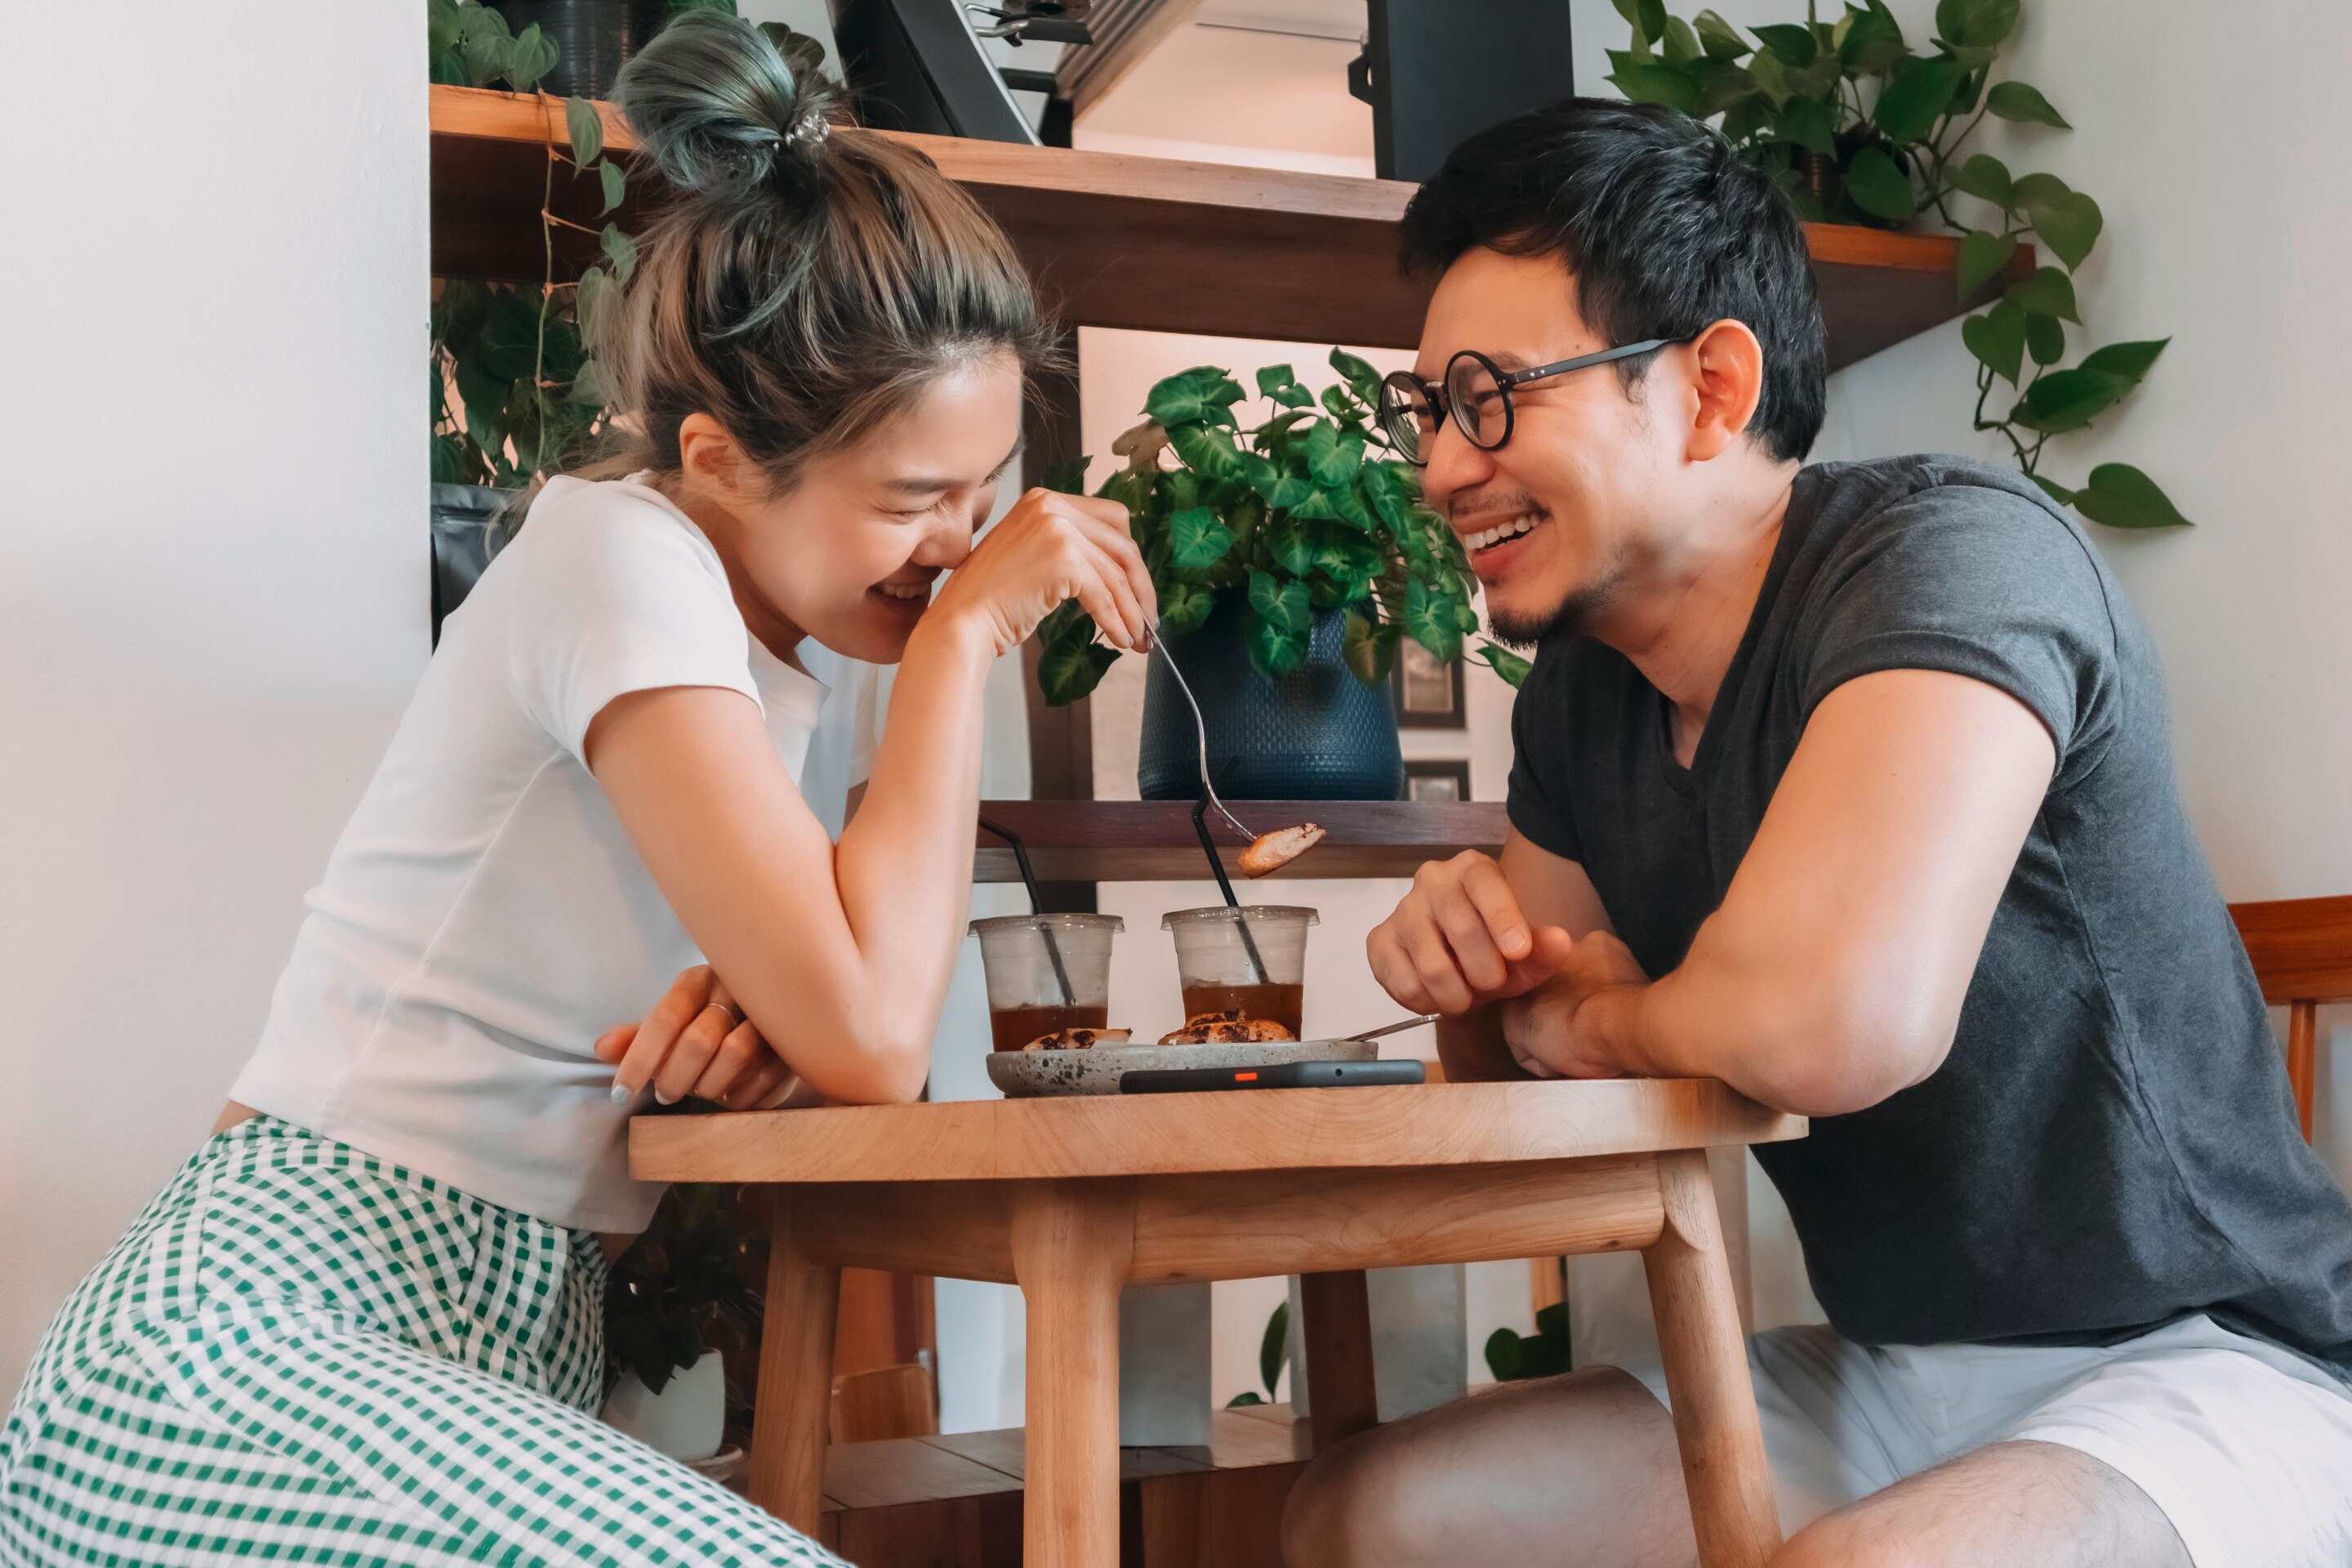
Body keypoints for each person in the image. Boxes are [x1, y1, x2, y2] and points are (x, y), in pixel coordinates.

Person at [0, 14, 1153, 1565]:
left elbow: (839, 1016)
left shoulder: (757, 660)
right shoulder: (621, 562)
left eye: (987, 494)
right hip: (251, 1343)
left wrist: (755, 1020)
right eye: (912, 501)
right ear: (719, 457)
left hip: (473, 1335)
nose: (962, 541)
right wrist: (964, 642)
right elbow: (880, 1035)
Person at [1288, 100, 2352, 1568]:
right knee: (1375, 1519)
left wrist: (1596, 1019)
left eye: (1492, 397)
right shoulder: (1582, 698)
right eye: (1431, 415)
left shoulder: (1952, 560)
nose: (1444, 468)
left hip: (2213, 1362)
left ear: (1714, 387)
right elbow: (1542, 1072)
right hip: (1893, 1365)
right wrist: (1472, 979)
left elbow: (1831, 1023)